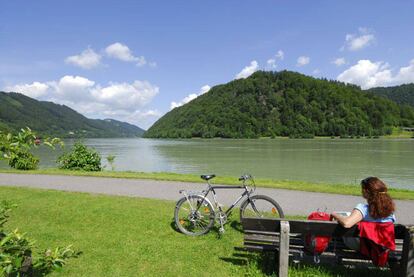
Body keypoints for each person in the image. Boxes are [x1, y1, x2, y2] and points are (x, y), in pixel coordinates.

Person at [331, 176, 396, 266]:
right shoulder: (390, 212)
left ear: (366, 192)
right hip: (382, 246)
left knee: (343, 228)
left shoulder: (363, 208)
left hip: (364, 244)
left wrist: (335, 215)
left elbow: (347, 223)